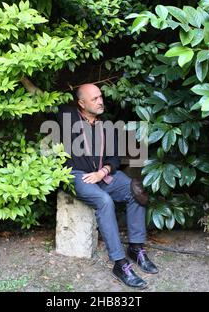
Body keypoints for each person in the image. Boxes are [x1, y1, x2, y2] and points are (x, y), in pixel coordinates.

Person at [56, 83, 158, 289]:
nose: (100, 101)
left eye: (100, 96)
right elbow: (40, 97)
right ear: (81, 103)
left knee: (135, 189)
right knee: (104, 201)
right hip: (76, 176)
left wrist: (102, 172)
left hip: (101, 175)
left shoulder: (106, 126)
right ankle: (120, 263)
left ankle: (136, 248)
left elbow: (114, 158)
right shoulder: (67, 117)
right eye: (94, 99)